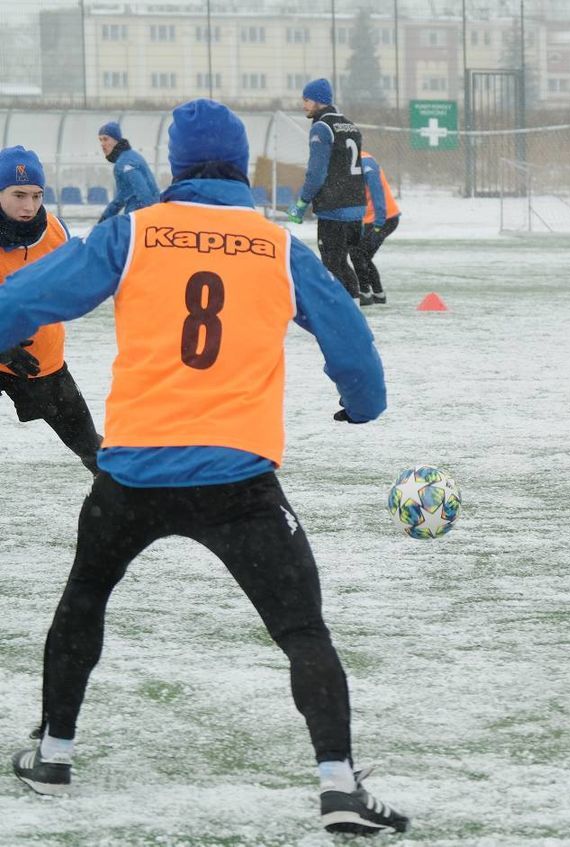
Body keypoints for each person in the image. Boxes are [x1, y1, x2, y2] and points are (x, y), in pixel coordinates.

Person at [0, 99, 407, 836]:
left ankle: (54, 753)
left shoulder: (134, 232)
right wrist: (363, 402)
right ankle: (339, 785)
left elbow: (28, 298)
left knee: (84, 599)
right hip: (238, 479)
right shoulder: (277, 245)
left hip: (132, 474)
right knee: (301, 629)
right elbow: (348, 335)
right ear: (244, 164)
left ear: (176, 165)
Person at [0, 145, 102, 475]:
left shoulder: (56, 232)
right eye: (18, 194)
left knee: (93, 449)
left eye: (37, 195)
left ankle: (134, 508)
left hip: (39, 361)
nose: (29, 205)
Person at [288, 78, 366, 305]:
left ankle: (345, 315)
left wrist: (302, 202)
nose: (303, 104)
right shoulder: (350, 125)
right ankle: (354, 307)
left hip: (335, 207)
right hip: (356, 204)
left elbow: (316, 173)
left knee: (333, 264)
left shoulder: (322, 127)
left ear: (318, 101)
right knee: (342, 263)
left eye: (307, 99)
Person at [349, 150, 400, 306]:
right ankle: (377, 294)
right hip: (371, 219)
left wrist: (379, 221)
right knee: (361, 254)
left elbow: (377, 192)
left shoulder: (366, 162)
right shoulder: (349, 162)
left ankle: (366, 292)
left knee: (359, 253)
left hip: (385, 218)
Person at [95, 121, 159, 224]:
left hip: (139, 221)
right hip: (140, 218)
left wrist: (147, 222)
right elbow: (121, 197)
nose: (102, 144)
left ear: (116, 140)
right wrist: (103, 221)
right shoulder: (128, 157)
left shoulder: (125, 162)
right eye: (100, 140)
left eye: (106, 139)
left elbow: (143, 192)